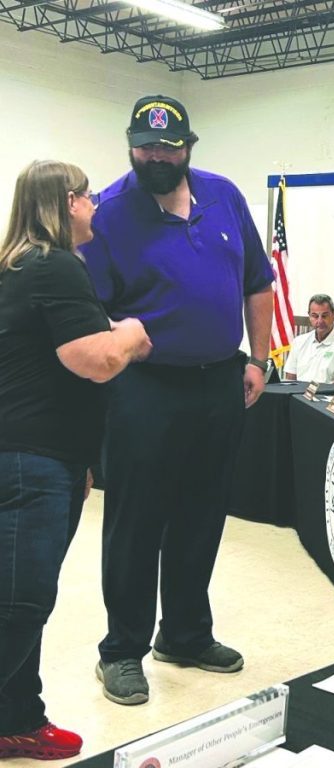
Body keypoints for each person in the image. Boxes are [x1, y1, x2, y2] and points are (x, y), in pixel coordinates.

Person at [80, 95, 274, 706]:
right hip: (145, 386)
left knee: (202, 513)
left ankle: (186, 634)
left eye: (168, 145)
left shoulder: (223, 195)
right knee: (137, 520)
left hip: (220, 379)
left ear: (190, 144)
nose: (157, 155)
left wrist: (259, 358)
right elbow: (92, 313)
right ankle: (121, 650)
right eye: (145, 145)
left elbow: (257, 282)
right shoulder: (109, 212)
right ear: (130, 144)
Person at [0, 160, 151, 759]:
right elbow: (94, 360)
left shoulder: (19, 267)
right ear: (68, 202)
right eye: (89, 197)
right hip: (29, 460)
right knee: (20, 604)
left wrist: (79, 460)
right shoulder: (54, 264)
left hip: (45, 455)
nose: (96, 206)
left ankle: (16, 719)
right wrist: (133, 333)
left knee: (21, 602)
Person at [284, 294, 334, 384]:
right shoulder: (299, 342)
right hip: (298, 396)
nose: (320, 321)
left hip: (328, 397)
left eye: (324, 316)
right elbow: (289, 382)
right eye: (315, 316)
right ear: (309, 316)